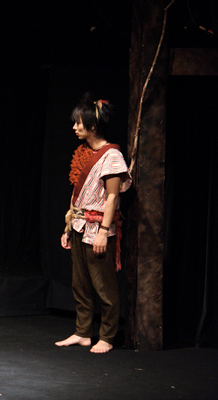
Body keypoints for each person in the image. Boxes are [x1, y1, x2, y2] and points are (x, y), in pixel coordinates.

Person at [55, 93, 131, 353]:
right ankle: (83, 332)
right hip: (78, 225)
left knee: (103, 286)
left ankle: (107, 336)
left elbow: (112, 197)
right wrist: (68, 227)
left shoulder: (112, 156)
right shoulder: (84, 153)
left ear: (93, 126)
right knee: (81, 284)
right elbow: (76, 195)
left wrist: (104, 231)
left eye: (79, 122)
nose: (75, 127)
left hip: (98, 229)